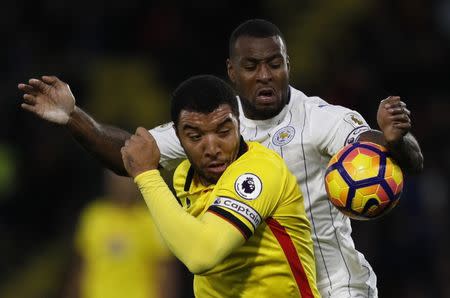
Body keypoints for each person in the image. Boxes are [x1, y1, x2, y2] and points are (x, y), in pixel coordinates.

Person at [18, 19, 423, 297]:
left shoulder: (322, 120)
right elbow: (131, 152)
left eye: (274, 64)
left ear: (287, 66)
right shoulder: (215, 127)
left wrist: (398, 141)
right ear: (232, 71)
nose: (265, 74)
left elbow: (387, 154)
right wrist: (74, 118)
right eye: (252, 66)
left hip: (336, 285)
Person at [120, 74, 320, 297]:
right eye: (195, 137)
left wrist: (147, 176)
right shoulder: (183, 177)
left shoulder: (260, 170)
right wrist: (73, 116)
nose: (212, 148)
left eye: (223, 132)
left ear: (239, 123)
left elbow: (202, 254)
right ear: (177, 136)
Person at [63, 170, 179, 298]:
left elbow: (165, 274)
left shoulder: (152, 220)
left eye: (126, 178)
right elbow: (79, 268)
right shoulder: (94, 216)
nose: (122, 184)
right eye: (117, 177)